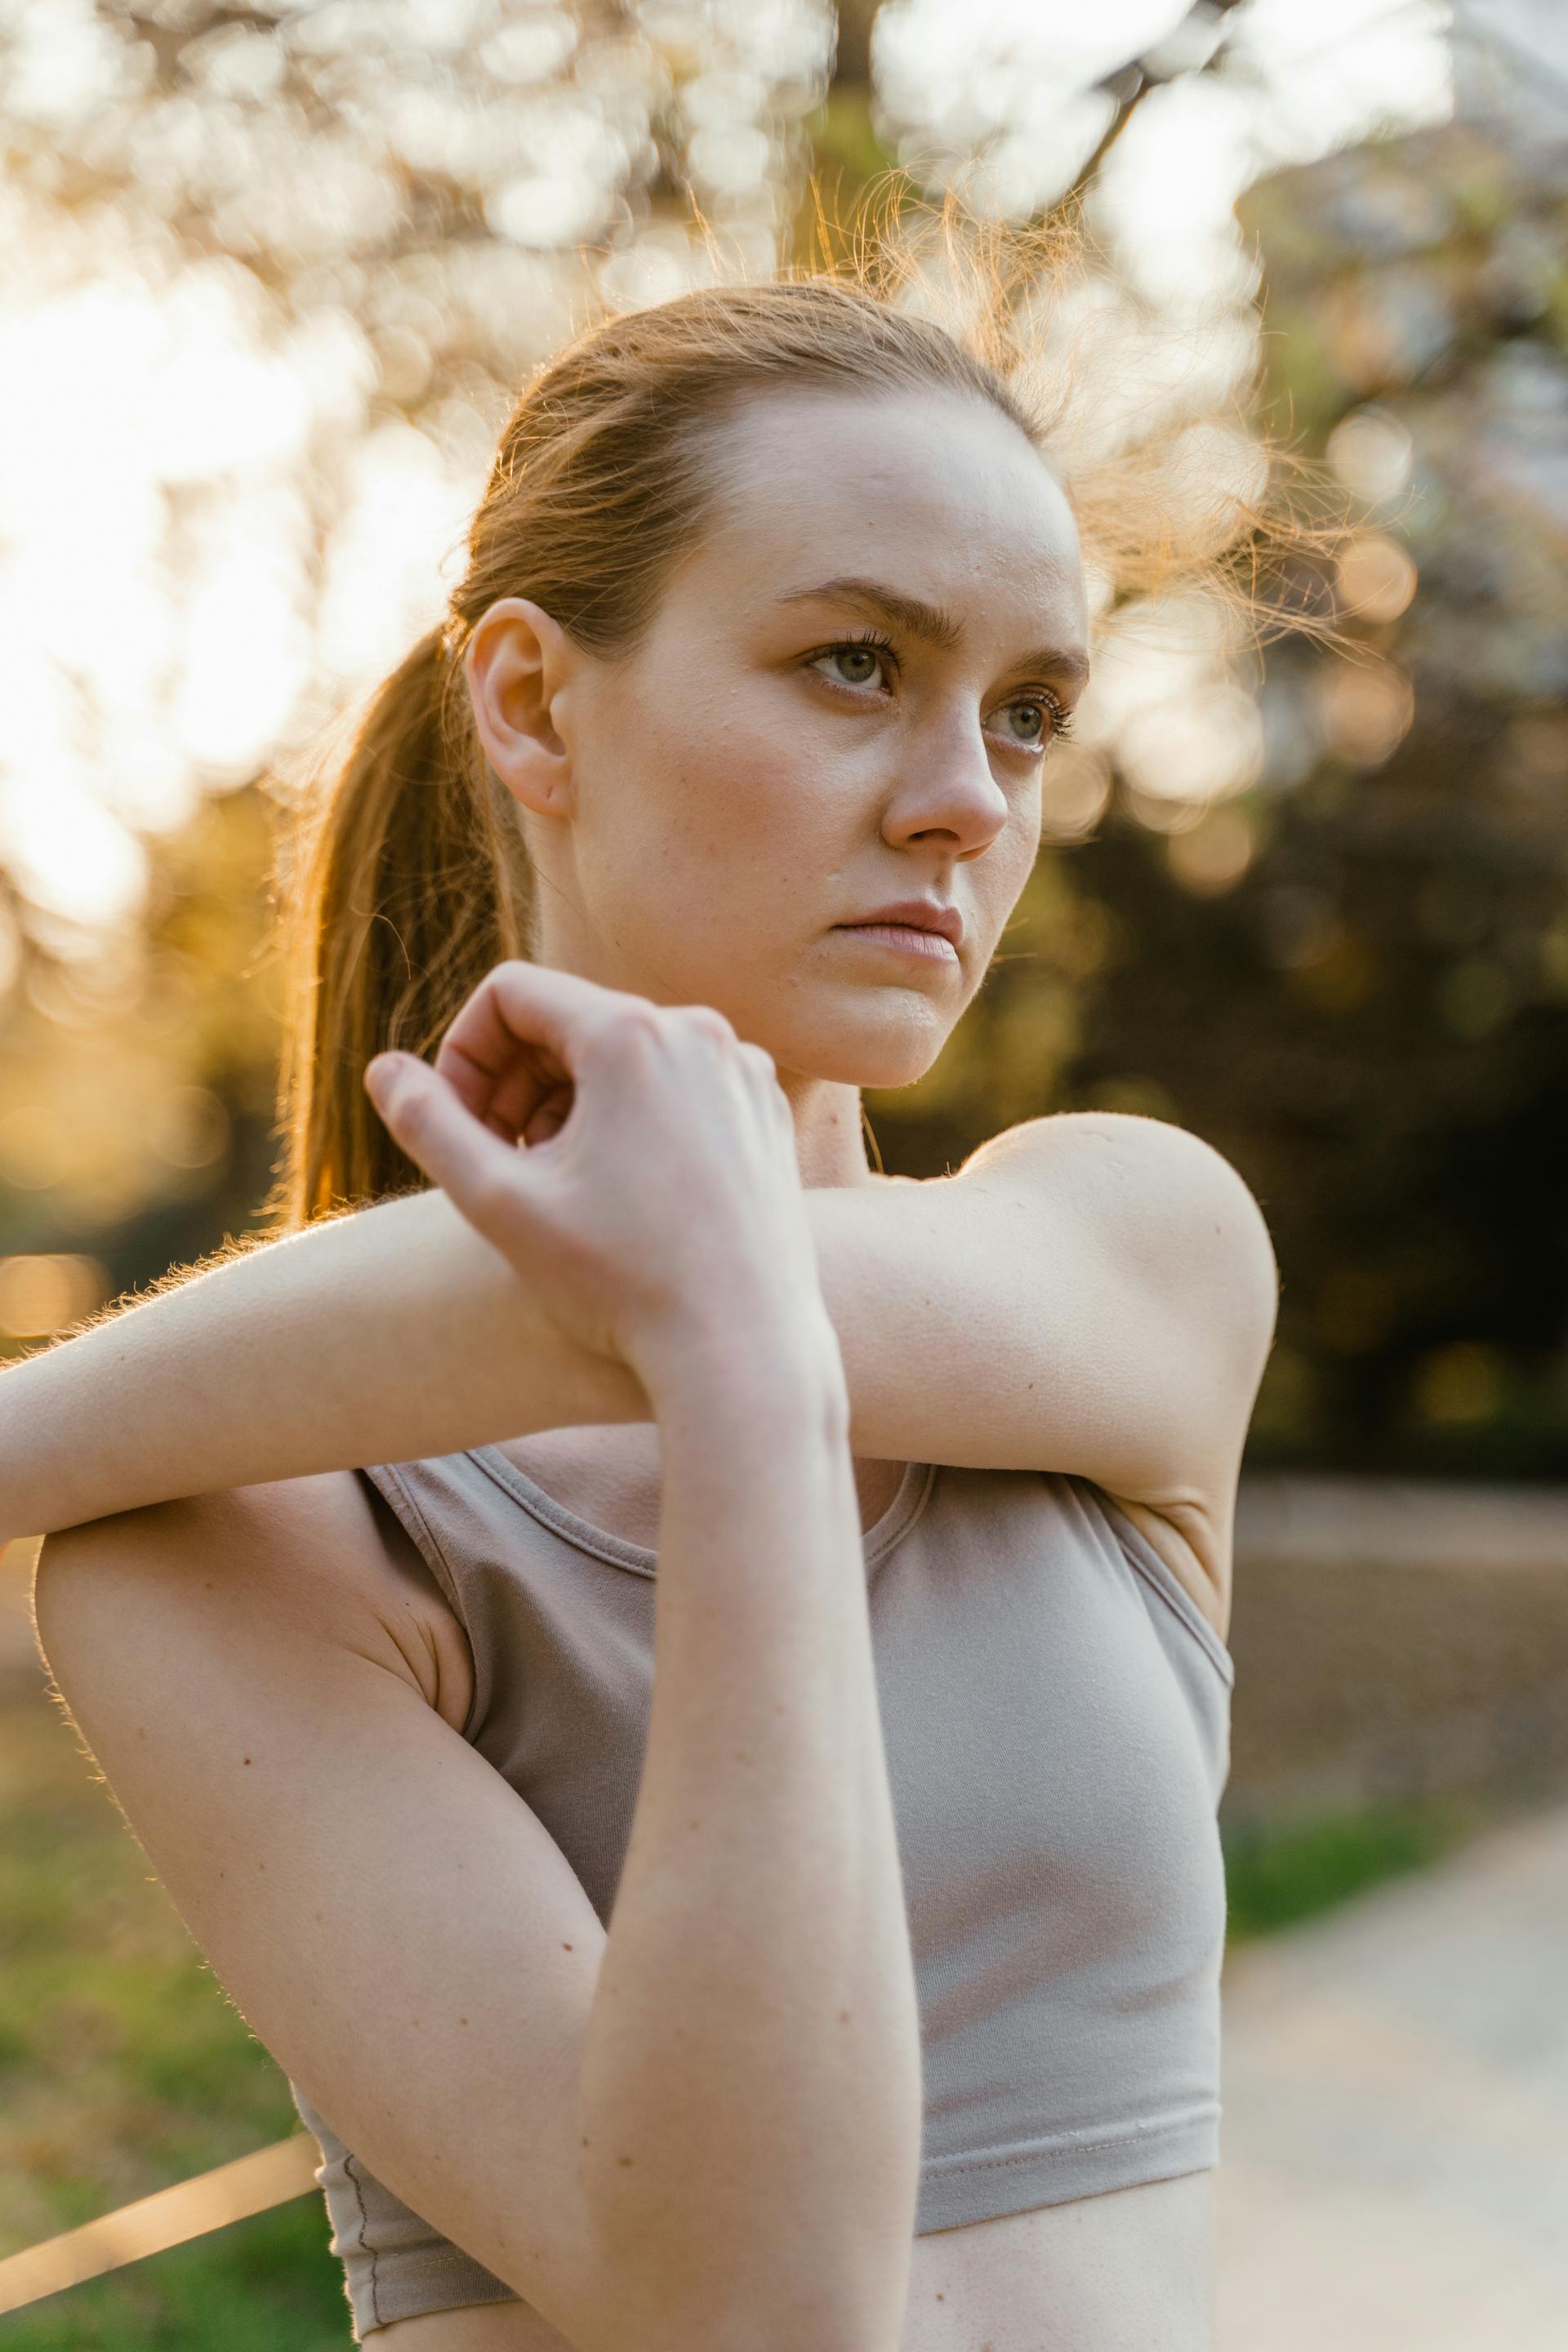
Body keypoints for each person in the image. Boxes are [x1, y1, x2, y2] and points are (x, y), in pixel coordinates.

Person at [17, 199, 1285, 2350]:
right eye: (857, 664)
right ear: (531, 698)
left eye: (1033, 709)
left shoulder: (1135, 1241)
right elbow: (748, 2312)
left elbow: (585, 1295)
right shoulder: (242, 1544)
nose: (970, 801)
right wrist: (740, 1376)